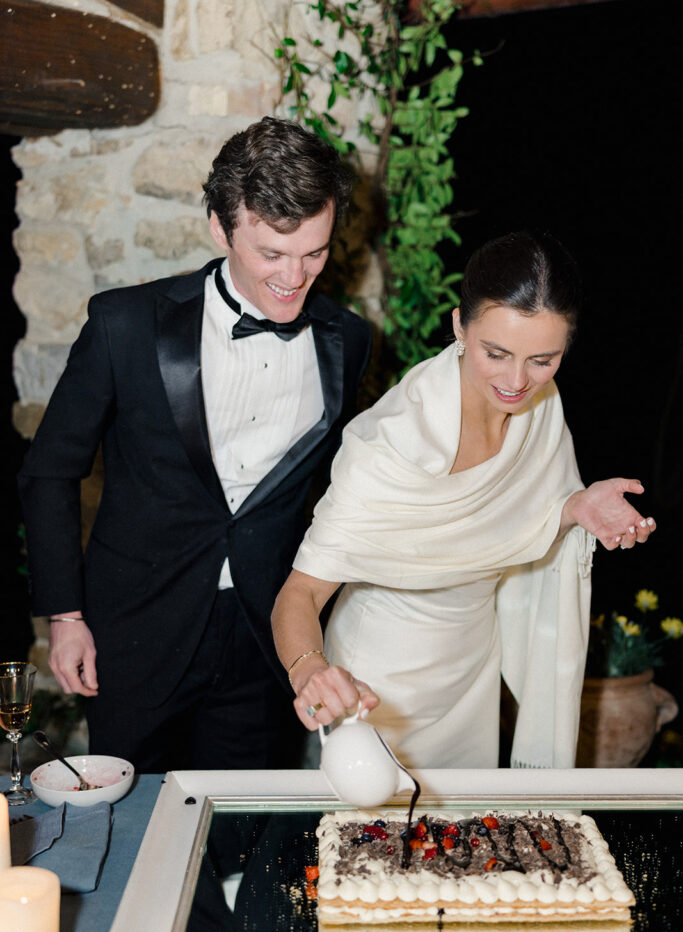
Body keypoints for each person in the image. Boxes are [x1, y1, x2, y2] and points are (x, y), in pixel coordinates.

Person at [18, 116, 372, 772]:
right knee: (136, 823)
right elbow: (49, 471)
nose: (295, 276)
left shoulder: (346, 340)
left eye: (314, 252)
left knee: (244, 829)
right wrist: (64, 615)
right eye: (271, 253)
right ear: (219, 227)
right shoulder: (124, 324)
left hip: (264, 634)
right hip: (135, 631)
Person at [271, 230, 656, 769]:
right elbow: (300, 595)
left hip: (473, 672)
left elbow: (527, 519)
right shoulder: (391, 446)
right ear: (458, 325)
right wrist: (311, 669)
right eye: (495, 353)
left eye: (543, 359)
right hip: (377, 680)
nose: (517, 381)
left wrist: (575, 509)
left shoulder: (542, 407)